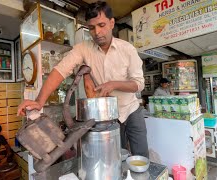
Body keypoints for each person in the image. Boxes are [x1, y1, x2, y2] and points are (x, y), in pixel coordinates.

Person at [18, 1, 149, 158]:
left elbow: (139, 84)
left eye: (101, 25)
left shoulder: (127, 49)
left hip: (131, 110)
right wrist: (39, 101)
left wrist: (114, 84)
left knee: (141, 155)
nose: (97, 32)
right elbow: (60, 71)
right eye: (92, 28)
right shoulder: (83, 48)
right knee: (116, 156)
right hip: (108, 116)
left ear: (112, 23)